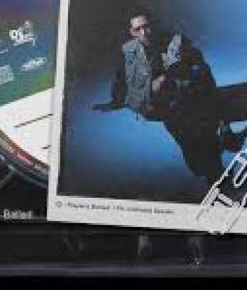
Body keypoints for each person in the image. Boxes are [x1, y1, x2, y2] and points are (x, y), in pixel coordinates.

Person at [93, 9, 226, 183]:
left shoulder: (174, 42)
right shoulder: (130, 52)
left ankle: (217, 171)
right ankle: (212, 166)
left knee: (202, 136)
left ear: (153, 26)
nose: (144, 32)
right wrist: (115, 101)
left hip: (191, 99)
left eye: (146, 27)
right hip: (164, 107)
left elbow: (201, 67)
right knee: (191, 149)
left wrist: (172, 77)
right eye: (138, 29)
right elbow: (121, 80)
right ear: (132, 32)